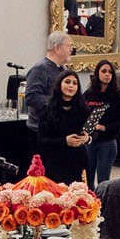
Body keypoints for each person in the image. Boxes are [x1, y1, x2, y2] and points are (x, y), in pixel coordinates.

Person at [22, 31, 72, 164]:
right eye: (69, 46)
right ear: (57, 48)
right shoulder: (39, 69)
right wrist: (59, 103)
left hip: (59, 131)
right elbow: (31, 97)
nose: (71, 50)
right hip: (41, 132)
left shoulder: (62, 70)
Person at [37, 68, 94, 185]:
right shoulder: (47, 110)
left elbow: (94, 133)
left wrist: (87, 138)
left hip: (78, 161)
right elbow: (42, 140)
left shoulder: (84, 109)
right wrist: (65, 141)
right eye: (67, 82)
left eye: (75, 83)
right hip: (55, 162)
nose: (71, 86)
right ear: (59, 84)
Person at [85, 59, 120, 185]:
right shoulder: (88, 94)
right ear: (97, 73)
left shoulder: (117, 96)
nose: (107, 74)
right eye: (104, 71)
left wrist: (105, 127)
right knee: (88, 178)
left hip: (107, 142)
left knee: (103, 179)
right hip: (89, 141)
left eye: (110, 72)